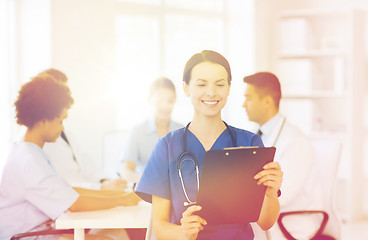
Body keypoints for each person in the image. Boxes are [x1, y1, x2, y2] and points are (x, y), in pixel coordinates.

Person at [135, 50, 283, 240]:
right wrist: (183, 232)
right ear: (186, 88)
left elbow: (265, 222)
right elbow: (160, 227)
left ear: (229, 88)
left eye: (220, 84)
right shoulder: (167, 146)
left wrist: (271, 193)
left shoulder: (249, 143)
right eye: (201, 84)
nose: (211, 92)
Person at [0, 75, 140, 240]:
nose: (62, 127)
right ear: (44, 120)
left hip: (44, 230)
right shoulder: (29, 160)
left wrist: (124, 195)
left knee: (118, 232)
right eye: (60, 119)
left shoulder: (30, 152)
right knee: (112, 238)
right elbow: (75, 204)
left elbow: (70, 193)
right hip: (30, 235)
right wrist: (124, 200)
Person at [243, 72, 323, 240]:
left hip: (291, 220)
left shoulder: (295, 141)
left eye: (248, 98)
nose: (244, 105)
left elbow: (284, 194)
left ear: (267, 101)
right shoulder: (254, 136)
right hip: (266, 216)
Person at [25, 68, 126, 191]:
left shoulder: (64, 133)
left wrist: (103, 180)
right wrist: (100, 187)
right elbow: (60, 187)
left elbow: (83, 161)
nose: (65, 97)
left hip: (74, 198)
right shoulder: (34, 143)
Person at [121, 77, 183, 180]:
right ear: (150, 100)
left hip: (175, 192)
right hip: (145, 190)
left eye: (170, 101)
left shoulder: (182, 131)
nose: (165, 106)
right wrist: (147, 180)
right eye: (159, 101)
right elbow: (126, 172)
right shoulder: (137, 131)